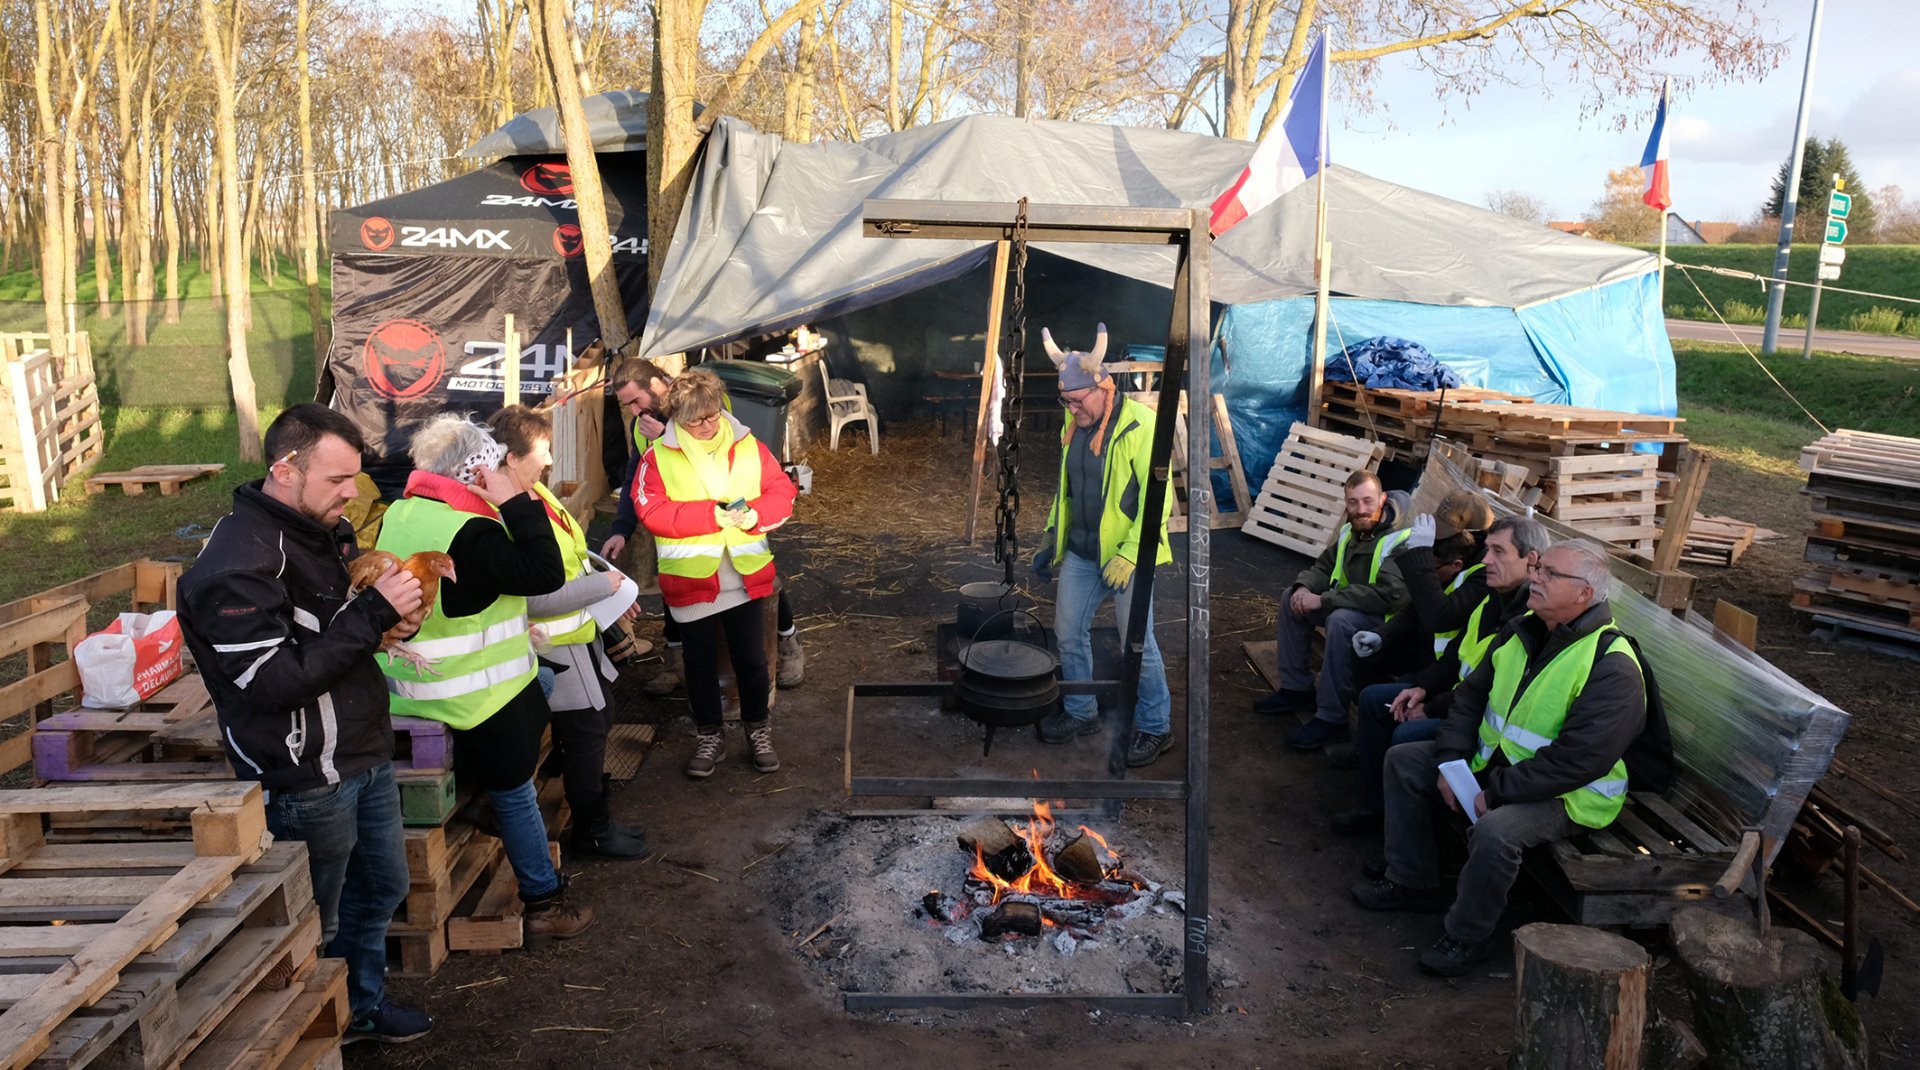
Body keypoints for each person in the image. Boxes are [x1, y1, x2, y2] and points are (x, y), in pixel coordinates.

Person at [178, 404, 433, 1045]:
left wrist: (391, 624)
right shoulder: (236, 567)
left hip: (361, 748)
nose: (353, 493)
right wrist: (373, 614)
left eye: (355, 477)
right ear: (285, 470)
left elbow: (331, 635)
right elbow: (272, 684)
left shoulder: (327, 530)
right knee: (309, 917)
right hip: (304, 772)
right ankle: (302, 1037)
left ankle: (357, 1011)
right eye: (337, 479)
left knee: (381, 889)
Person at [1354, 538, 1666, 978]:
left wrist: (1493, 791)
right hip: (1501, 769)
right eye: (1540, 568)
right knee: (1405, 759)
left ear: (1584, 594)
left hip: (1572, 795)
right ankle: (1411, 879)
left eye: (1551, 574)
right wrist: (1450, 761)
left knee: (1497, 831)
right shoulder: (1523, 628)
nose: (1536, 577)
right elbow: (1470, 698)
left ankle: (1467, 936)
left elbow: (1578, 762)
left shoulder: (1611, 664)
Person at [376, 413, 595, 939]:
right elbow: (544, 572)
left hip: (409, 687)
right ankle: (544, 901)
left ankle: (478, 797)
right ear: (476, 471)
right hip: (473, 695)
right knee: (516, 787)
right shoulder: (470, 528)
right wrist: (517, 503)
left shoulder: (403, 511)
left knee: (542, 678)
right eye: (494, 464)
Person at [488, 405, 647, 860]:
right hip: (551, 643)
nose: (551, 461)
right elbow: (532, 595)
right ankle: (593, 830)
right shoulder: (506, 514)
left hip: (574, 638)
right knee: (587, 730)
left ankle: (593, 820)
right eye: (543, 451)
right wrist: (602, 587)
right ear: (512, 458)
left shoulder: (535, 493)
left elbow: (571, 560)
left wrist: (612, 593)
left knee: (598, 716)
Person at [1334, 514, 1549, 837]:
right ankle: (1378, 807)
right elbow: (1454, 658)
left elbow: (1486, 689)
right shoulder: (1494, 596)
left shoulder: (1529, 617)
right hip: (1459, 702)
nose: (1486, 560)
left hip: (1482, 723)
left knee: (1404, 738)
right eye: (1487, 549)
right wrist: (1422, 688)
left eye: (1498, 552)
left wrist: (1431, 706)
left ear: (1531, 561)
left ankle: (1408, 834)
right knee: (1375, 697)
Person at [603, 359, 807, 693]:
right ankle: (678, 660)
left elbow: (722, 431)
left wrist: (671, 433)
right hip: (685, 532)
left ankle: (787, 642)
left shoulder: (703, 402)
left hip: (737, 524)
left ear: (657, 384)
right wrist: (621, 528)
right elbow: (634, 476)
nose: (633, 410)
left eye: (636, 400)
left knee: (761, 580)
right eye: (627, 405)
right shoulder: (641, 427)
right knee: (677, 583)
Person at [636, 369, 798, 778]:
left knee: (753, 661)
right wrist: (712, 516)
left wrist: (757, 514)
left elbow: (781, 490)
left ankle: (758, 730)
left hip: (744, 577)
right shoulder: (657, 457)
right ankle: (709, 735)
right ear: (678, 417)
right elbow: (651, 511)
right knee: (699, 664)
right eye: (696, 420)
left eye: (712, 415)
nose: (708, 425)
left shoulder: (749, 444)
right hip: (691, 581)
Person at [1029, 324, 1176, 768]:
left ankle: (1155, 726)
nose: (1072, 409)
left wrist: (1131, 552)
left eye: (1077, 400)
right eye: (1066, 401)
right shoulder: (1073, 426)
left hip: (1128, 555)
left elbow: (1159, 498)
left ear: (1103, 387)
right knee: (1068, 635)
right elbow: (1068, 488)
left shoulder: (1141, 424)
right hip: (1082, 551)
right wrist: (1052, 536)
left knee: (1140, 643)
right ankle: (1082, 711)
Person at [1255, 470, 1413, 750]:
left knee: (1340, 622)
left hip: (1389, 624)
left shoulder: (1401, 538)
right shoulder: (1351, 530)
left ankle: (1332, 719)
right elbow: (1325, 566)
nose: (1361, 510)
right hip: (1349, 605)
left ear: (1383, 498)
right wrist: (1303, 587)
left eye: (1367, 501)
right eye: (1353, 502)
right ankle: (1297, 689)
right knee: (1289, 598)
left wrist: (1325, 600)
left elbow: (1389, 596)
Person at [1348, 491, 1496, 689]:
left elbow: (1439, 617)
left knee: (1377, 698)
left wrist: (1421, 561)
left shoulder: (1484, 574)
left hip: (1446, 671)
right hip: (1424, 650)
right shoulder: (1452, 550)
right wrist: (1381, 635)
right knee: (1367, 655)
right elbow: (1416, 607)